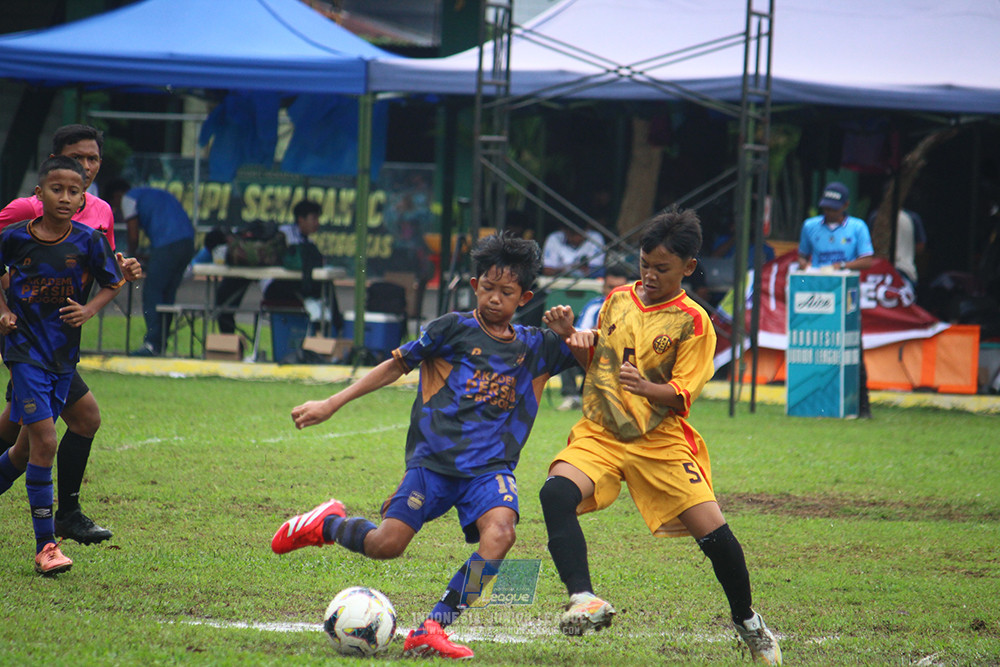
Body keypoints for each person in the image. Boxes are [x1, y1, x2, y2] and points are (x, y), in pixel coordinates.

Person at [272, 233, 577, 659]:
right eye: (487, 288)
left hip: (490, 471)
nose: (494, 299)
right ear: (475, 286)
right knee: (385, 546)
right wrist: (331, 402)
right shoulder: (451, 328)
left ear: (524, 296)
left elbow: (599, 354)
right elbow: (395, 366)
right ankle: (328, 523)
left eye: (506, 292)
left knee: (502, 533)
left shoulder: (535, 346)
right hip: (433, 464)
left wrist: (569, 334)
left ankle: (433, 625)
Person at [539, 208, 782, 665]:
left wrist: (644, 386)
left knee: (716, 537)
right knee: (555, 494)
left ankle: (750, 623)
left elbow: (681, 394)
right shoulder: (617, 300)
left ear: (689, 267)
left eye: (662, 269)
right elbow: (599, 369)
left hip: (660, 440)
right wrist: (572, 338)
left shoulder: (695, 322)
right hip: (603, 430)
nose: (649, 275)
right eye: (644, 264)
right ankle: (584, 598)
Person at [0, 124, 140, 546]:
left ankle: (64, 515)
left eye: (93, 159)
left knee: (21, 436)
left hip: (61, 340)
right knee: (70, 424)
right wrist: (9, 305)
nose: (86, 167)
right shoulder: (27, 209)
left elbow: (105, 267)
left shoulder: (98, 211)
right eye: (77, 157)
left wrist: (124, 269)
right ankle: (62, 523)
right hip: (26, 337)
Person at [798, 181, 875, 418]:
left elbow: (867, 260)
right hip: (818, 294)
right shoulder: (810, 226)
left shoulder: (857, 227)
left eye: (834, 208)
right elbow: (802, 256)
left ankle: (862, 405)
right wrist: (809, 269)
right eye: (826, 208)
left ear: (846, 206)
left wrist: (840, 266)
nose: (829, 213)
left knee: (853, 349)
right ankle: (812, 402)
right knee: (817, 345)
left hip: (846, 295)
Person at [104, 180, 195, 356]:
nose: (117, 210)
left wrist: (129, 256)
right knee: (167, 295)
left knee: (152, 293)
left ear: (117, 196)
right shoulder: (151, 193)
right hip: (187, 243)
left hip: (168, 244)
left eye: (114, 206)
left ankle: (152, 344)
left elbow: (133, 234)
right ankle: (160, 344)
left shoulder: (128, 198)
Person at [556, 263, 631, 411]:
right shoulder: (594, 306)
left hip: (623, 358)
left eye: (619, 287)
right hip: (593, 353)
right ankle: (571, 397)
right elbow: (577, 332)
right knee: (567, 344)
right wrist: (594, 333)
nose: (614, 292)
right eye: (610, 287)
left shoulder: (635, 309)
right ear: (603, 287)